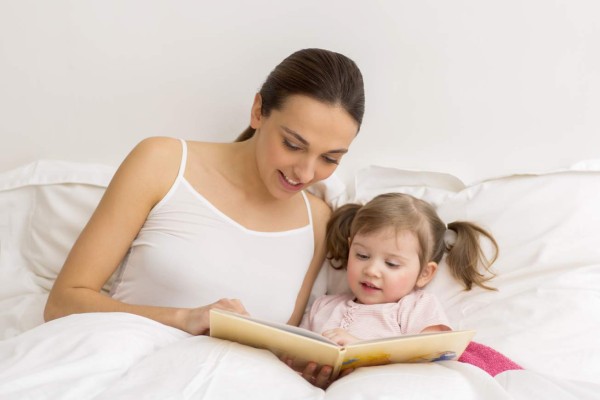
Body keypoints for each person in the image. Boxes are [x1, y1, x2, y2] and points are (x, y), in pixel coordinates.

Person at [43, 48, 364, 387]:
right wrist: (184, 318)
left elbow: (279, 347)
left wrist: (309, 364)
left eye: (330, 159)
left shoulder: (317, 220)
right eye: (293, 145)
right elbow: (63, 303)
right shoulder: (162, 162)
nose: (306, 172)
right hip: (127, 373)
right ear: (258, 111)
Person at [300, 192, 499, 346]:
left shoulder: (415, 307)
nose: (371, 270)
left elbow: (435, 352)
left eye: (391, 264)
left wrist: (360, 348)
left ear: (424, 274)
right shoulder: (322, 307)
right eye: (362, 256)